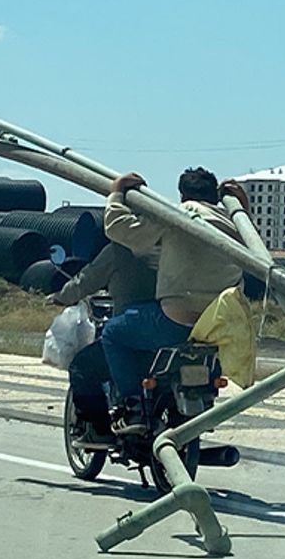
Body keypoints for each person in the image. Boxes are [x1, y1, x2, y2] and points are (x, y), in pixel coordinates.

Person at [99, 167, 247, 434]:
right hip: (219, 328)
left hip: (176, 321)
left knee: (113, 334)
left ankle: (133, 406)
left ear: (182, 195)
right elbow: (255, 247)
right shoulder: (233, 222)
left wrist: (116, 192)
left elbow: (119, 229)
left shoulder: (180, 214)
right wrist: (242, 206)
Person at [47, 241, 159, 440]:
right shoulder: (173, 246)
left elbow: (88, 279)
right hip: (175, 329)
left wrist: (62, 296)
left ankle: (100, 430)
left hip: (133, 328)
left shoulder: (120, 249)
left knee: (82, 366)